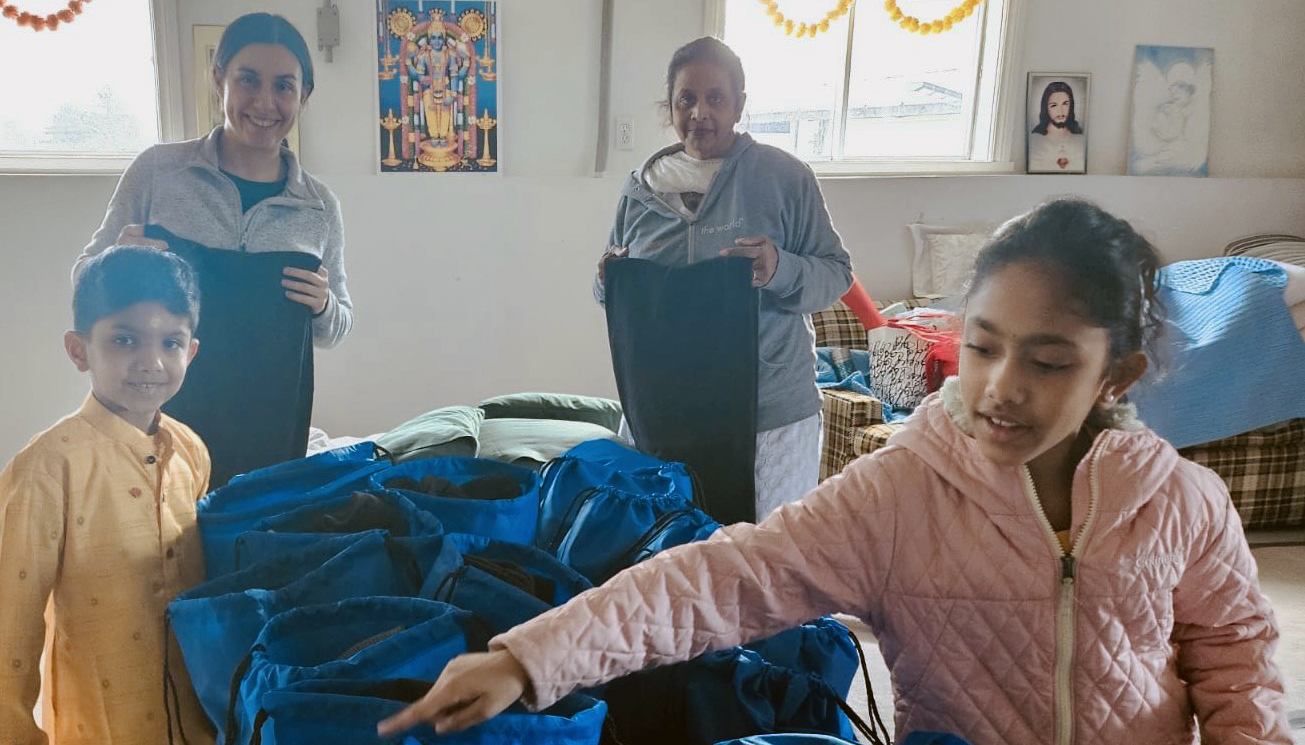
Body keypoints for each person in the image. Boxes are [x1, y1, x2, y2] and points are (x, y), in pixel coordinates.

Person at [379, 197, 1291, 745]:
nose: (1001, 388)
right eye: (981, 347)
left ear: (1116, 375)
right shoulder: (898, 494)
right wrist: (527, 657)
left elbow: (1237, 655)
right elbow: (718, 579)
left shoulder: (1179, 499)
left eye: (1048, 361)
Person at [597, 36, 853, 519]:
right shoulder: (641, 189)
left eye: (715, 98)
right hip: (665, 410)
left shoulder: (783, 178)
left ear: (739, 105)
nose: (700, 113)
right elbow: (608, 291)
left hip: (769, 415)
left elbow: (836, 273)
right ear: (669, 107)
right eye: (686, 100)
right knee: (671, 557)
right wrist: (607, 278)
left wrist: (781, 268)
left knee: (766, 567)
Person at [0, 246, 213, 744]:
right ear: (80, 350)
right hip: (100, 725)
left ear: (192, 351)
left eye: (171, 342)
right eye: (124, 339)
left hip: (196, 717)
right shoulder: (48, 469)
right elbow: (10, 625)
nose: (151, 362)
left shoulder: (191, 452)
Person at [75, 12, 353, 349]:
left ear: (303, 95)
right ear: (219, 79)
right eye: (248, 80)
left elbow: (336, 329)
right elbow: (83, 280)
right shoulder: (157, 171)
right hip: (157, 395)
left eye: (283, 86)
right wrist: (117, 264)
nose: (265, 102)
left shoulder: (319, 207)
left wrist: (324, 306)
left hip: (274, 400)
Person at [1028, 80, 1085, 172]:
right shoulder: (1034, 141)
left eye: (1065, 104)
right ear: (1045, 108)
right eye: (1054, 105)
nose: (1061, 111)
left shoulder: (1081, 140)